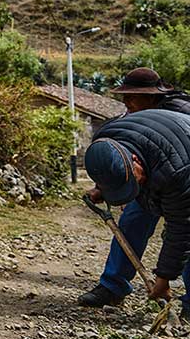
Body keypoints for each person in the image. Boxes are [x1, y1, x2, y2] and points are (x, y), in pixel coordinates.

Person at [79, 68, 190, 309]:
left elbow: (182, 227)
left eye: (132, 97)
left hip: (182, 172)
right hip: (152, 174)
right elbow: (113, 156)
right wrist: (104, 188)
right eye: (125, 97)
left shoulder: (182, 112)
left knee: (184, 234)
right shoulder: (122, 122)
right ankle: (112, 287)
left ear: (151, 96)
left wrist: (164, 278)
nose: (127, 102)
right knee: (132, 220)